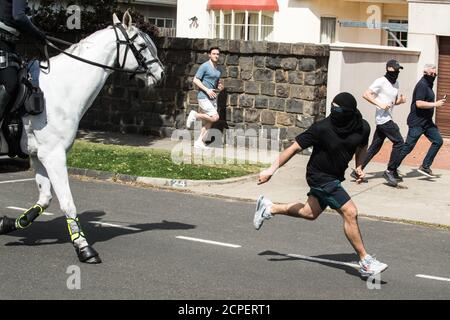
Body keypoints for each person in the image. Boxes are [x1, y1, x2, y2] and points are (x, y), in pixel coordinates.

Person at [254, 92, 388, 278]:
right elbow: (293, 148)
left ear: (349, 112)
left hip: (334, 176)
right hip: (319, 176)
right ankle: (365, 261)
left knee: (310, 213)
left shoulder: (362, 127)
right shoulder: (322, 128)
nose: (334, 112)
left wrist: (359, 166)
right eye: (332, 108)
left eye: (338, 109)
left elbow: (361, 146)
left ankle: (269, 208)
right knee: (350, 212)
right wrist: (270, 170)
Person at [351, 59, 407, 187]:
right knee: (399, 142)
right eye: (395, 69)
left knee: (374, 147)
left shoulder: (396, 83)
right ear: (389, 69)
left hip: (387, 117)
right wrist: (380, 104)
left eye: (399, 70)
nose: (397, 72)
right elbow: (366, 94)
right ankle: (390, 171)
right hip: (383, 120)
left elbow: (392, 101)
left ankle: (357, 171)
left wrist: (400, 101)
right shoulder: (381, 81)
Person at [390, 64, 445, 178]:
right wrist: (436, 104)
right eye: (431, 74)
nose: (433, 76)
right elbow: (419, 103)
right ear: (425, 73)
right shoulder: (422, 85)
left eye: (435, 74)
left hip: (427, 123)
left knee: (438, 141)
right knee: (408, 147)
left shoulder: (429, 84)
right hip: (417, 123)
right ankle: (391, 169)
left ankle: (425, 166)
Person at [0, 0, 46, 123]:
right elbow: (18, 16)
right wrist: (39, 34)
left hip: (8, 44)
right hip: (2, 43)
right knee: (10, 83)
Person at [186, 47, 224, 149]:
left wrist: (219, 86)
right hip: (203, 97)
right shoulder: (205, 66)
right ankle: (195, 115)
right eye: (214, 53)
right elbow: (195, 80)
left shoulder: (218, 69)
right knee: (215, 117)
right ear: (209, 55)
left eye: (217, 54)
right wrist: (207, 90)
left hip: (213, 98)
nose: (216, 56)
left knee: (209, 121)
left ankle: (200, 142)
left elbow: (216, 82)